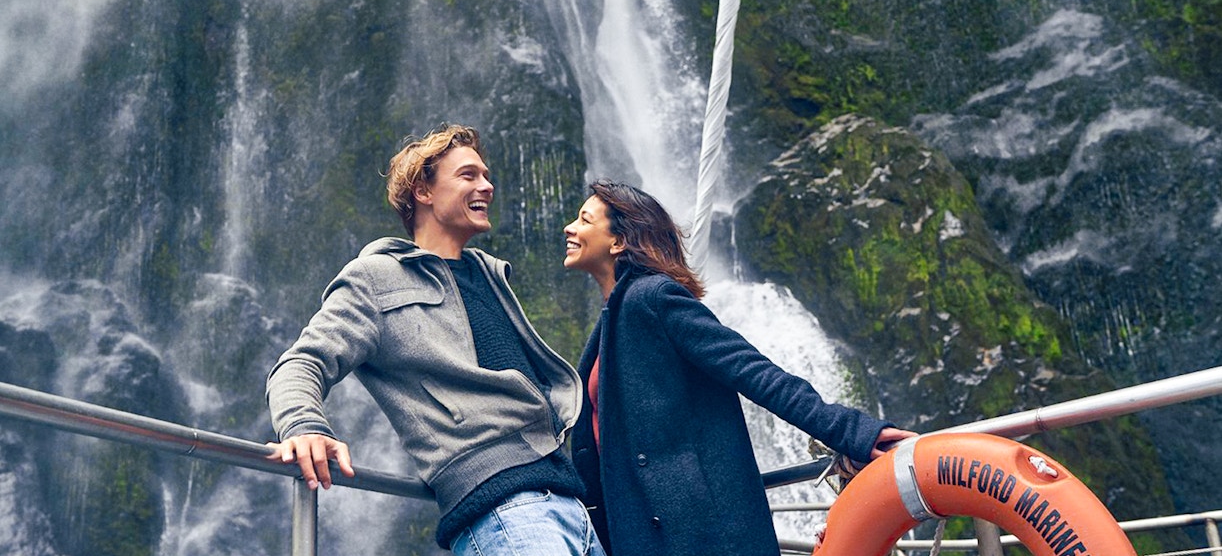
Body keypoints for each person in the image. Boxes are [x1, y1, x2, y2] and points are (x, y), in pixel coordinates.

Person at [266, 125, 605, 556]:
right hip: (506, 510)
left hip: (569, 505)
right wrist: (304, 426)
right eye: (468, 176)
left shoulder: (488, 275)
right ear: (422, 191)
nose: (487, 185)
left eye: (486, 176)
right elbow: (300, 364)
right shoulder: (375, 278)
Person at [561, 179, 916, 556]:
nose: (570, 227)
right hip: (642, 531)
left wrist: (852, 432)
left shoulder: (653, 298)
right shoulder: (611, 320)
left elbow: (753, 371)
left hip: (693, 533)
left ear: (618, 242)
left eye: (584, 220)